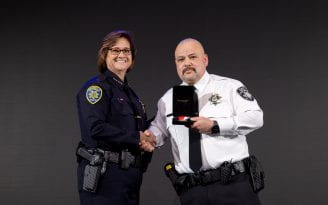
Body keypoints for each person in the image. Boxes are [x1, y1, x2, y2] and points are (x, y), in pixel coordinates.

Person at [142, 38, 264, 205]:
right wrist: (151, 138)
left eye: (192, 57)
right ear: (176, 64)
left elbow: (256, 117)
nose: (187, 63)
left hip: (232, 186)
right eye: (181, 59)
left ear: (205, 60)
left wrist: (215, 125)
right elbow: (159, 129)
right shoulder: (168, 99)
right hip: (192, 191)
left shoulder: (229, 87)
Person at [76, 30, 154, 205]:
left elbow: (139, 130)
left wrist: (164, 120)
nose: (121, 55)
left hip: (130, 176)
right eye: (115, 50)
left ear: (132, 57)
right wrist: (137, 138)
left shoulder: (131, 95)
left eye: (126, 51)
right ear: (105, 55)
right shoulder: (96, 88)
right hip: (104, 177)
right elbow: (95, 128)